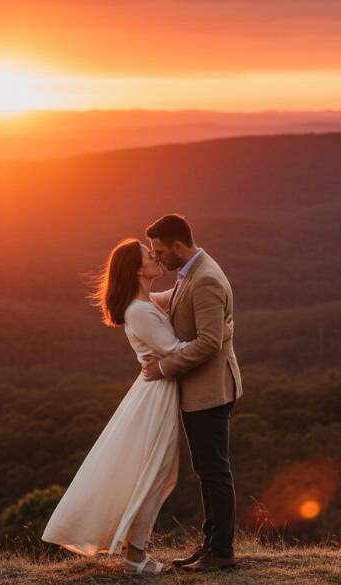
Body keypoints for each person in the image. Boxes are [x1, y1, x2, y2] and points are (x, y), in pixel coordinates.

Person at [41, 238, 183, 575]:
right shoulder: (139, 310)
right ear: (136, 268)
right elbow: (175, 350)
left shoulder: (145, 303)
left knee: (155, 472)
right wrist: (218, 334)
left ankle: (134, 550)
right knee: (153, 472)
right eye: (150, 255)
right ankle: (135, 555)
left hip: (156, 392)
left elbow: (172, 303)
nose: (156, 257)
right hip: (156, 395)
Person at [142, 213, 243, 571]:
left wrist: (164, 367)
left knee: (214, 469)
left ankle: (222, 552)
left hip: (210, 392)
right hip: (200, 391)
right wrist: (136, 295)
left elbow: (209, 343)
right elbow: (174, 299)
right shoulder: (190, 273)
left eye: (159, 251)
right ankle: (210, 544)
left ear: (178, 246)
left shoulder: (207, 279)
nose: (157, 258)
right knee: (206, 467)